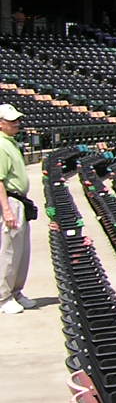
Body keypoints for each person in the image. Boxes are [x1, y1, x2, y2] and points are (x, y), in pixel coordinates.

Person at [0, 104, 33, 315]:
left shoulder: (10, 143)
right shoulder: (1, 146)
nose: (16, 124)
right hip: (10, 202)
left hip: (20, 201)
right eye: (12, 121)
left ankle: (16, 291)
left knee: (22, 251)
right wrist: (7, 210)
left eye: (17, 120)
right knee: (9, 251)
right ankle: (3, 297)